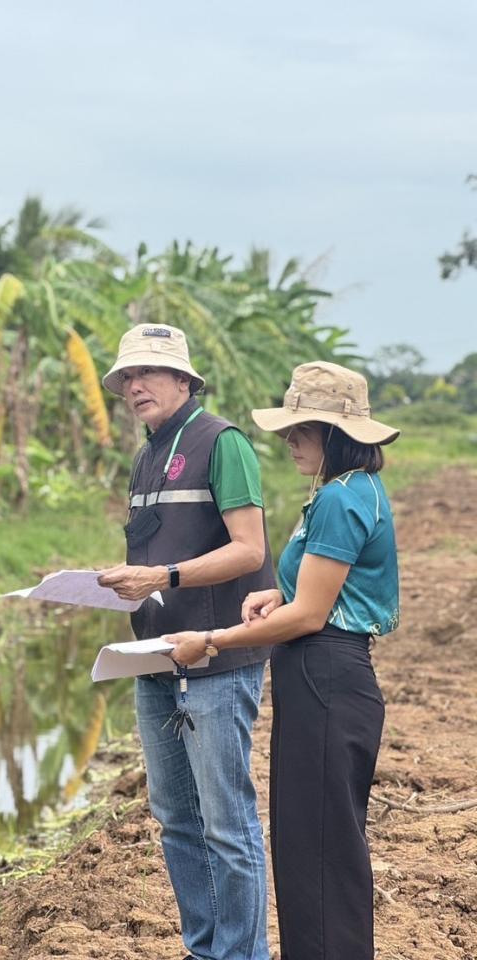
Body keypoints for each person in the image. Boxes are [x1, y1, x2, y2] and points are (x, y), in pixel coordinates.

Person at [168, 361, 399, 960]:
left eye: (302, 429)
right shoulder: (342, 493)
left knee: (319, 851)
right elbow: (316, 596)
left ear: (337, 433)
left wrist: (213, 639)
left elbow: (311, 617)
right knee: (310, 845)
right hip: (319, 677)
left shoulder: (341, 500)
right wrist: (281, 593)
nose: (288, 440)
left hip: (327, 674)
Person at [96, 323, 274, 960]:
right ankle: (206, 949)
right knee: (176, 820)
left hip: (217, 658)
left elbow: (250, 549)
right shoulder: (147, 454)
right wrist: (118, 582)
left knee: (227, 826)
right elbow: (156, 551)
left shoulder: (222, 443)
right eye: (126, 379)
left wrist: (163, 576)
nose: (134, 386)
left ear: (184, 379)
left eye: (148, 373)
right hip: (152, 660)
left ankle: (243, 953)